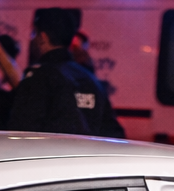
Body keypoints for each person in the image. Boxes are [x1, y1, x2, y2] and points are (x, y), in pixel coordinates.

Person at [7, 7, 124, 137]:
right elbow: (114, 133)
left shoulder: (39, 78)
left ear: (43, 37)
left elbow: (21, 132)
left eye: (34, 33)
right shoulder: (91, 80)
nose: (32, 39)